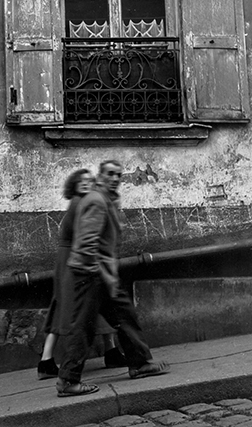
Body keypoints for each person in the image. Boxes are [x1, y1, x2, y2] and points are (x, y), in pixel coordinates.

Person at [56, 160, 170, 397]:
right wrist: (104, 275)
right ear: (100, 176)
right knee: (83, 327)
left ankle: (139, 364)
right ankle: (68, 381)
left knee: (124, 315)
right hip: (91, 273)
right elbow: (88, 243)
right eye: (110, 174)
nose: (115, 178)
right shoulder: (97, 201)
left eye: (118, 174)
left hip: (103, 273)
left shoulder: (107, 199)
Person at [38, 169, 126, 380]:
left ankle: (109, 351)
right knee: (72, 307)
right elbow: (90, 235)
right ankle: (48, 361)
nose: (86, 183)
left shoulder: (79, 202)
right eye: (82, 181)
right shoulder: (81, 204)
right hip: (75, 261)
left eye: (90, 180)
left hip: (70, 259)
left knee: (81, 305)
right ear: (74, 185)